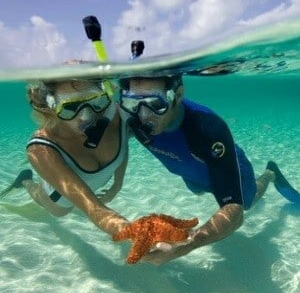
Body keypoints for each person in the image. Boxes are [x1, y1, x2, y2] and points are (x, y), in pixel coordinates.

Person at [119, 74, 300, 265]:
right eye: (133, 103)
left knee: (247, 202)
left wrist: (186, 244)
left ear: (177, 95)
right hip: (193, 175)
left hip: (227, 166)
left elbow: (234, 212)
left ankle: (270, 174)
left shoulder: (208, 128)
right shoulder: (132, 117)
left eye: (155, 103)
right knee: (198, 190)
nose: (143, 115)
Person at [1, 73, 129, 237]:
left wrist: (117, 185)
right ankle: (25, 181)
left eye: (94, 101)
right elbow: (94, 208)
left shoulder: (116, 116)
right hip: (58, 200)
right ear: (51, 107)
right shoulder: (40, 149)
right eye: (69, 108)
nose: (86, 116)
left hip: (88, 189)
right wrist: (133, 232)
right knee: (47, 201)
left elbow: (122, 147)